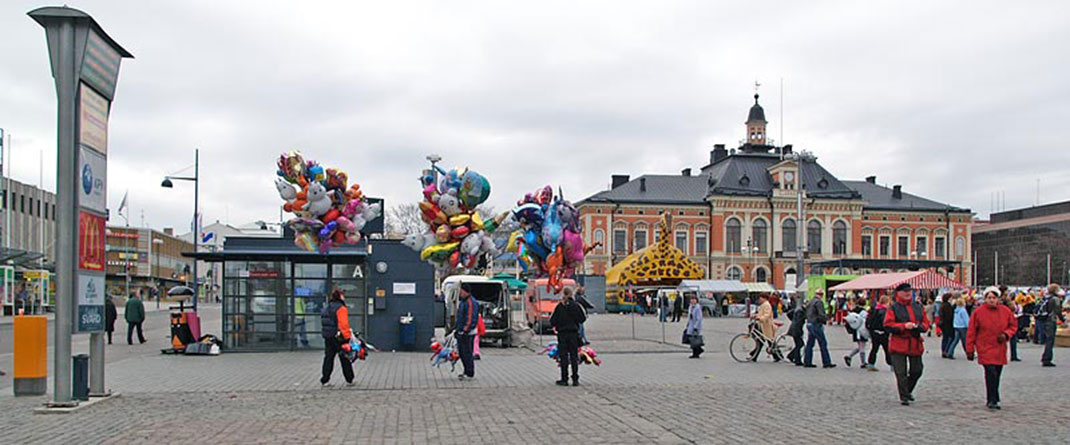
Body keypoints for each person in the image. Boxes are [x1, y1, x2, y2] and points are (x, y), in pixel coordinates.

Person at [965, 286, 1018, 409]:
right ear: (985, 299)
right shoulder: (978, 312)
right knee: (990, 372)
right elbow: (971, 331)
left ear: (998, 299)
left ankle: (994, 395)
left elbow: (1013, 326)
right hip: (984, 347)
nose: (991, 300)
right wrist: (969, 349)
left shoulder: (1005, 311)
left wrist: (1006, 335)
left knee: (997, 373)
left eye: (994, 298)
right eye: (989, 298)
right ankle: (992, 399)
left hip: (999, 346)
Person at [884, 282, 929, 406]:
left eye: (909, 291)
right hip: (899, 343)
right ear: (898, 293)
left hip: (914, 342)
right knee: (901, 372)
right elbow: (888, 325)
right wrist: (903, 326)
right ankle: (904, 396)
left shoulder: (918, 307)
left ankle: (907, 390)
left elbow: (926, 323)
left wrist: (920, 327)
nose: (908, 293)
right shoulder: (893, 308)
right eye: (905, 291)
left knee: (917, 370)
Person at [550, 287, 587, 386]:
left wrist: (559, 324)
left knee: (564, 357)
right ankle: (575, 379)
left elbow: (552, 321)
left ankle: (564, 379)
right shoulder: (576, 306)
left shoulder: (560, 307)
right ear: (572, 294)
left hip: (562, 335)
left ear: (563, 294)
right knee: (574, 357)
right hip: (573, 334)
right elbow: (582, 319)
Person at [320, 289, 355, 386]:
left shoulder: (327, 307)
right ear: (339, 296)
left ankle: (325, 379)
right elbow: (343, 324)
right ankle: (349, 379)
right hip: (339, 337)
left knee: (328, 357)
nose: (344, 297)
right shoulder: (341, 308)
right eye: (343, 295)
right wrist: (348, 337)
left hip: (328, 336)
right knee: (345, 357)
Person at [803, 291, 836, 368]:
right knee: (823, 343)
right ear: (822, 295)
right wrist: (825, 320)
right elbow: (821, 314)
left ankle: (807, 361)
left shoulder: (810, 301)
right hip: (816, 324)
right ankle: (826, 362)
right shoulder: (819, 302)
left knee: (810, 344)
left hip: (809, 323)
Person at [455, 284, 479, 380]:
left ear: (465, 291)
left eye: (461, 291)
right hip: (462, 331)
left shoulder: (470, 302)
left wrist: (465, 330)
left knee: (467, 352)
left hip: (468, 332)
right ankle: (466, 370)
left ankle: (469, 372)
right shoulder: (463, 302)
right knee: (462, 352)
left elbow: (470, 318)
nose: (460, 293)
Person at [1037, 284, 1065, 367]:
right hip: (1051, 320)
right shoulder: (1055, 299)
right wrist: (1062, 320)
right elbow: (1057, 311)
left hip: (1045, 320)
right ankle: (1047, 358)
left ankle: (1045, 357)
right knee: (1050, 340)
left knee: (1047, 339)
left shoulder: (1046, 297)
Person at [749, 293, 781, 362]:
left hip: (767, 325)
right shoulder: (764, 305)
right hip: (763, 326)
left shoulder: (767, 305)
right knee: (763, 341)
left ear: (764, 298)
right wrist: (756, 315)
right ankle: (754, 356)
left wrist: (760, 318)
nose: (759, 299)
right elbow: (761, 313)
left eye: (760, 298)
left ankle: (778, 355)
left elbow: (766, 315)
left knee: (768, 341)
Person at [865, 294, 892, 371]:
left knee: (874, 348)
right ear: (886, 302)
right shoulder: (884, 311)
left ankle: (871, 364)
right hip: (882, 333)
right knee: (887, 349)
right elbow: (885, 323)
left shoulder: (874, 310)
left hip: (874, 332)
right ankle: (892, 364)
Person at [844, 297, 870, 369]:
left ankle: (849, 356)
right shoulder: (864, 312)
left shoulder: (853, 311)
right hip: (862, 330)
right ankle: (862, 362)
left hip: (855, 330)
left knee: (860, 346)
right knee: (862, 347)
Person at [1000, 286, 1021, 362]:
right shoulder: (1006, 299)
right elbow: (1013, 308)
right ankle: (1013, 355)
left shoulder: (998, 300)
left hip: (1000, 320)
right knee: (1012, 337)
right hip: (1008, 319)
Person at [786, 299, 806, 366]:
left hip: (793, 328)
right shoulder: (801, 312)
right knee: (799, 344)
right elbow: (799, 322)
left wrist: (792, 320)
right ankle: (796, 359)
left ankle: (792, 356)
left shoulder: (798, 309)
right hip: (796, 330)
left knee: (799, 344)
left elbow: (788, 313)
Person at [938, 293, 956, 358]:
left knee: (945, 338)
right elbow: (949, 316)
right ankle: (946, 351)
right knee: (948, 338)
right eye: (951, 298)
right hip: (947, 325)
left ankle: (944, 351)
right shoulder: (947, 306)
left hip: (944, 324)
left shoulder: (942, 305)